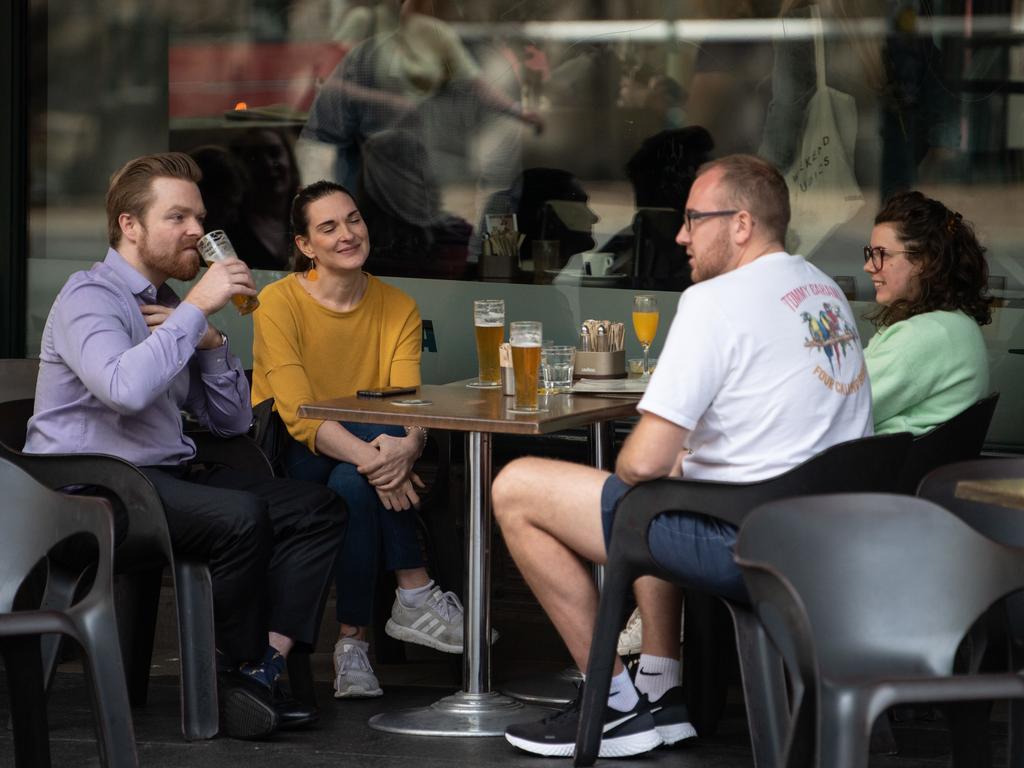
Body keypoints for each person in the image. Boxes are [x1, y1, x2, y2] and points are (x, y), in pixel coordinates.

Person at [492, 154, 873, 758]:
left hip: (746, 544)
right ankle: (661, 689)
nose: (679, 235)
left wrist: (650, 463)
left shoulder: (713, 301)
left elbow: (638, 463)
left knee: (517, 487)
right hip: (825, 537)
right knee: (667, 480)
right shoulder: (821, 287)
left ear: (741, 224)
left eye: (694, 219)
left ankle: (612, 703)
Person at [24, 152, 346, 741]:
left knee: (315, 508)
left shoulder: (170, 305)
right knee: (240, 517)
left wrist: (213, 342)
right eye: (178, 217)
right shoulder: (88, 297)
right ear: (130, 225)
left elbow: (229, 424)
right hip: (92, 492)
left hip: (162, 479)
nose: (197, 231)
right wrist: (195, 310)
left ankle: (260, 668)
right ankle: (230, 681)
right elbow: (123, 389)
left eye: (199, 217)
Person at [251, 180, 467, 700]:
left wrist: (410, 442)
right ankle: (412, 589)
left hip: (361, 456)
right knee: (361, 457)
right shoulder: (277, 303)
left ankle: (353, 645)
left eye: (353, 219)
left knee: (351, 484)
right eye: (328, 227)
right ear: (306, 246)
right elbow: (302, 416)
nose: (348, 234)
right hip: (291, 456)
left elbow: (405, 405)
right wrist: (392, 454)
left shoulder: (398, 306)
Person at [862, 190, 991, 434]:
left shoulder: (923, 337)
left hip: (881, 469)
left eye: (882, 254)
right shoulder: (953, 324)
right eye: (870, 253)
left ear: (923, 261)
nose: (868, 266)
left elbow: (840, 407)